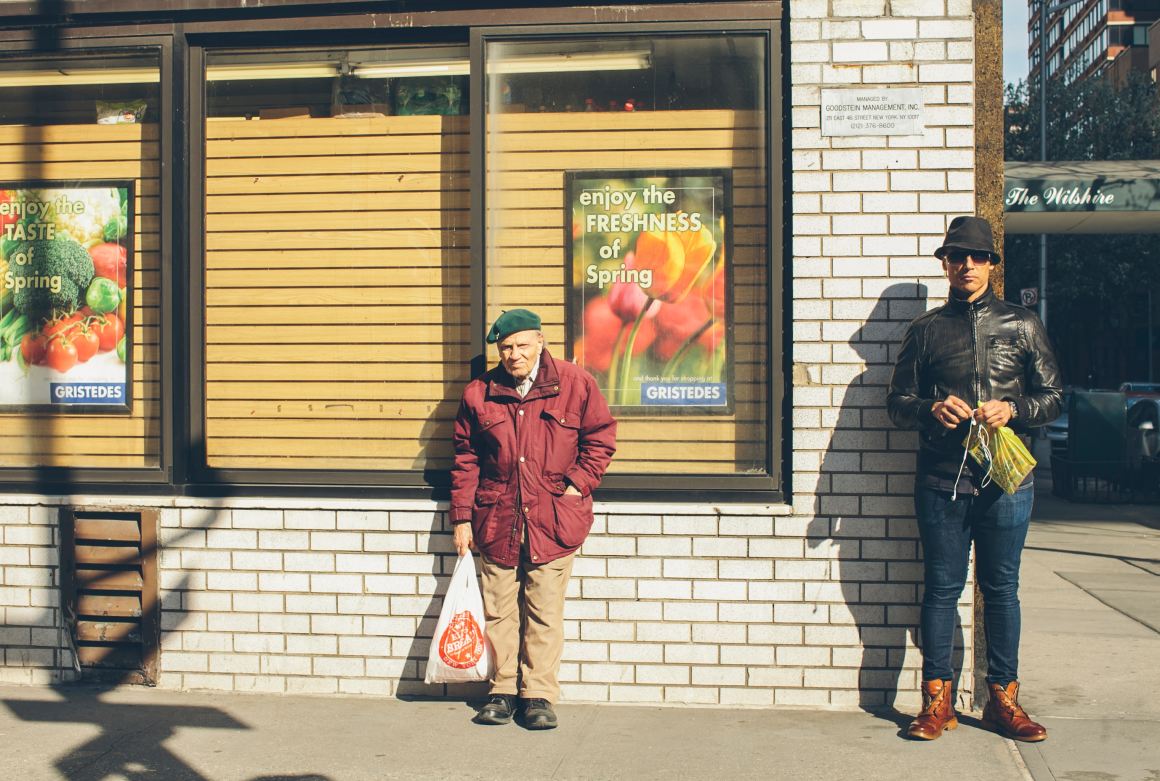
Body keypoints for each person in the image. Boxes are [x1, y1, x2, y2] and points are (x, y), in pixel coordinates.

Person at [887, 216, 1062, 742]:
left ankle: (1002, 701)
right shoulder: (926, 329)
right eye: (956, 256)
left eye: (976, 256)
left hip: (1007, 481)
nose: (966, 265)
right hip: (942, 478)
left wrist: (1013, 408)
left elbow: (1053, 397)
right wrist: (930, 408)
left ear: (991, 264)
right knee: (941, 590)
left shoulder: (1023, 323)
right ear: (944, 264)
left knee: (1001, 590)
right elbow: (895, 403)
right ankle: (936, 702)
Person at [450, 308, 616, 730]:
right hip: (496, 517)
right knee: (499, 611)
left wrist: (577, 484)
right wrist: (461, 518)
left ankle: (537, 693)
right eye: (506, 348)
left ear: (540, 341)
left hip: (554, 519)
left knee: (544, 610)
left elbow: (600, 438)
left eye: (522, 345)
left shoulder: (576, 384)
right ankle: (502, 690)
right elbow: (466, 459)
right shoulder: (479, 393)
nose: (513, 355)